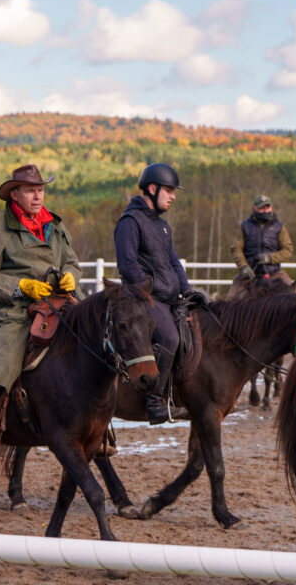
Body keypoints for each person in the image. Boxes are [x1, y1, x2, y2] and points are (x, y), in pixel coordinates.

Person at [0, 164, 80, 464]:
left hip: (59, 303)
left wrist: (70, 276)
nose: (38, 196)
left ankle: (98, 426)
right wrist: (20, 286)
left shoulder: (56, 226)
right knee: (8, 351)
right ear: (15, 193)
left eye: (41, 190)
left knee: (94, 338)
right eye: (31, 191)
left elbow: (72, 261)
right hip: (14, 309)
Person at [114, 163, 202, 425]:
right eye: (169, 190)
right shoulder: (129, 223)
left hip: (169, 297)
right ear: (152, 189)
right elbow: (127, 265)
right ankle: (155, 402)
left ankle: (180, 394)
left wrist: (187, 291)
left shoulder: (163, 226)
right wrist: (150, 291)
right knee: (169, 337)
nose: (173, 196)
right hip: (143, 298)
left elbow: (174, 263)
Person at [231, 194, 294, 286]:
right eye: (262, 208)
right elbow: (236, 248)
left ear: (271, 207)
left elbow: (288, 250)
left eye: (267, 207)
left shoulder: (279, 227)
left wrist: (270, 258)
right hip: (250, 274)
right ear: (254, 208)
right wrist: (243, 267)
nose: (265, 211)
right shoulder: (245, 226)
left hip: (274, 274)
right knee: (230, 298)